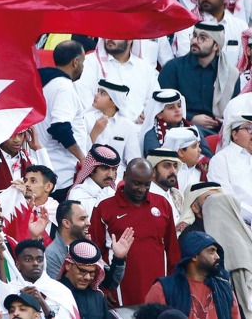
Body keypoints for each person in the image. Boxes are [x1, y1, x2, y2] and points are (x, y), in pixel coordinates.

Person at [90, 158, 180, 304]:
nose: (142, 189)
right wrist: (105, 287)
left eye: (147, 184)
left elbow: (172, 249)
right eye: (137, 183)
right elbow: (96, 250)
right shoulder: (104, 208)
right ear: (125, 177)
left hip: (158, 286)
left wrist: (174, 282)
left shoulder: (162, 204)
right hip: (120, 290)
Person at [161, 21, 240, 135]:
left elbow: (234, 111)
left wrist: (224, 121)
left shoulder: (230, 74)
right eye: (194, 36)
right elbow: (161, 106)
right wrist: (191, 118)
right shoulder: (173, 68)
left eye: (202, 38)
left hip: (219, 134)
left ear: (216, 46)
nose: (195, 41)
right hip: (180, 129)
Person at [36, 40, 89, 199]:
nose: (83, 67)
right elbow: (59, 127)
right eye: (83, 62)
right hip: (61, 173)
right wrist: (83, 158)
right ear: (75, 61)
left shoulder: (45, 82)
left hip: (46, 167)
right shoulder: (63, 87)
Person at [145, 231, 237, 319]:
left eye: (217, 252)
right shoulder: (163, 289)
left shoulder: (225, 290)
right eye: (211, 251)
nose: (217, 257)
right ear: (194, 256)